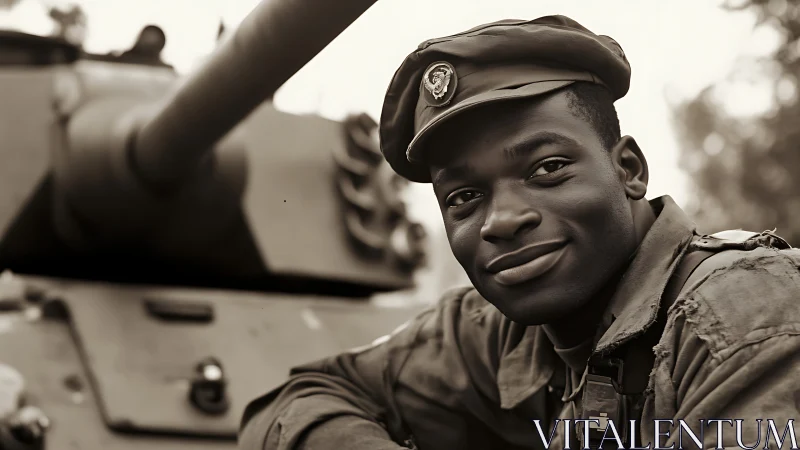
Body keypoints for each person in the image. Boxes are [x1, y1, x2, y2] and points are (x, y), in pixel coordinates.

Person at [238, 15, 800, 450]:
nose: (501, 220)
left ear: (629, 170)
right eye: (463, 197)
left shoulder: (746, 313)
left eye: (547, 169)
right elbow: (296, 399)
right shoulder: (498, 334)